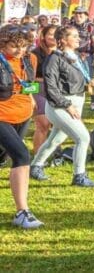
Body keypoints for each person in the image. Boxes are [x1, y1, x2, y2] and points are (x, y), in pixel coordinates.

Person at [30, 26, 94, 187]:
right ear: (63, 40)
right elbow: (51, 88)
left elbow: (75, 78)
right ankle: (79, 175)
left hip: (75, 102)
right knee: (83, 138)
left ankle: (35, 166)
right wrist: (67, 105)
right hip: (59, 105)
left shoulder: (76, 57)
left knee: (55, 139)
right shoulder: (54, 59)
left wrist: (88, 82)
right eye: (73, 36)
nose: (78, 38)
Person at [0, 25, 44, 228]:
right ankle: (22, 211)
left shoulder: (30, 59)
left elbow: (29, 84)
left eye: (24, 46)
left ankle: (22, 208)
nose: (19, 50)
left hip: (23, 113)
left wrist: (32, 100)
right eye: (14, 46)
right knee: (22, 156)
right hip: (2, 115)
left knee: (10, 159)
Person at [30, 25, 57, 152]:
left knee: (57, 125)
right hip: (39, 89)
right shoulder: (35, 54)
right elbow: (29, 78)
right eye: (51, 34)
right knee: (43, 124)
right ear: (44, 36)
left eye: (57, 33)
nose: (54, 36)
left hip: (58, 90)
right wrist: (29, 97)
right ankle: (37, 156)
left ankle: (55, 152)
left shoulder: (64, 53)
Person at [71, 7, 94, 111]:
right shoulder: (70, 25)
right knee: (74, 78)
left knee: (90, 79)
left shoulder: (91, 26)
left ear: (86, 15)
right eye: (76, 14)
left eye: (81, 14)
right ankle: (75, 100)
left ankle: (93, 102)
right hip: (73, 55)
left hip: (88, 55)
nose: (78, 17)